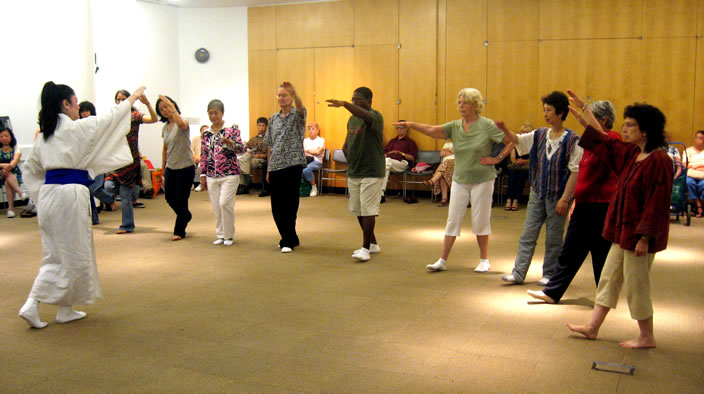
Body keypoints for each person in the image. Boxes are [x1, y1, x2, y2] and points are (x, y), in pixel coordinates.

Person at [18, 81, 145, 329]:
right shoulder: (76, 130)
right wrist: (132, 100)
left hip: (50, 195)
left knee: (60, 251)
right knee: (70, 253)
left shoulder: (44, 138)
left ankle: (66, 308)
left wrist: (39, 197)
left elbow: (31, 171)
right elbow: (109, 119)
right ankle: (32, 303)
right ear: (65, 104)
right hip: (69, 196)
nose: (78, 109)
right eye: (76, 103)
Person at [565, 90, 672, 349]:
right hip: (621, 233)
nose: (624, 129)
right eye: (624, 124)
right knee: (609, 278)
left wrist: (645, 238)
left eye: (630, 125)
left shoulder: (659, 160)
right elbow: (604, 141)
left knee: (637, 286)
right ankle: (593, 327)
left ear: (645, 130)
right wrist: (585, 114)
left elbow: (656, 204)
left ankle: (647, 336)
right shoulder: (632, 154)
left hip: (639, 238)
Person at [395, 88, 513, 273]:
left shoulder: (487, 125)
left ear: (475, 105)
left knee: (480, 219)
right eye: (459, 102)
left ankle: (484, 260)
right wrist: (410, 124)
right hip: (460, 178)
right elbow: (433, 130)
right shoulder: (455, 126)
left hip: (483, 179)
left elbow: (511, 140)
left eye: (464, 102)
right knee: (453, 219)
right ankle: (442, 260)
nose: (461, 106)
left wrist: (497, 158)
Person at [526, 101, 621, 304]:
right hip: (585, 205)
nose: (584, 120)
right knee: (571, 251)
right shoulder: (589, 141)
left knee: (600, 252)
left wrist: (584, 110)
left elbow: (605, 147)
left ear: (603, 119)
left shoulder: (611, 139)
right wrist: (575, 201)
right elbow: (582, 173)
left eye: (590, 116)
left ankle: (604, 296)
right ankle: (554, 292)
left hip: (601, 205)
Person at [498, 91, 583, 285]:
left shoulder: (573, 140)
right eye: (544, 110)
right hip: (538, 192)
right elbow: (518, 140)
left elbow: (575, 172)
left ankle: (550, 274)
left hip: (557, 195)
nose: (545, 114)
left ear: (561, 113)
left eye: (549, 110)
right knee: (528, 234)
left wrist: (565, 198)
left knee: (554, 238)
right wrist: (505, 129)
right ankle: (518, 273)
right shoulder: (539, 134)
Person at [326, 87, 385, 262]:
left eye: (358, 99)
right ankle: (373, 243)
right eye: (353, 99)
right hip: (355, 171)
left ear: (369, 101)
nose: (355, 102)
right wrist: (350, 159)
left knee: (368, 210)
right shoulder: (351, 120)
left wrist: (344, 104)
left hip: (372, 171)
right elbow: (346, 144)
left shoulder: (375, 116)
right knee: (358, 210)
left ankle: (365, 249)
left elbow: (365, 116)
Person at [104, 89, 158, 234]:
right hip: (115, 160)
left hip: (130, 161)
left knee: (125, 195)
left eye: (123, 99)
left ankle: (127, 225)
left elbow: (154, 119)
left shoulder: (134, 116)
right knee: (108, 186)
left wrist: (147, 104)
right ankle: (133, 191)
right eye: (118, 99)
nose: (120, 102)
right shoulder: (113, 117)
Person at [265, 82, 307, 253]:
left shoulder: (297, 116)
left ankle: (287, 239)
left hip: (293, 164)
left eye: (285, 95)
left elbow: (301, 106)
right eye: (279, 95)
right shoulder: (273, 119)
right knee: (276, 206)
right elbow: (269, 145)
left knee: (290, 204)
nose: (281, 98)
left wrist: (295, 92)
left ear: (291, 98)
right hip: (275, 166)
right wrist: (268, 169)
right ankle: (291, 236)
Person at [199, 99, 245, 246]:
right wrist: (203, 174)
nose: (213, 116)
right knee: (216, 206)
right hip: (212, 175)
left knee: (225, 203)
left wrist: (231, 143)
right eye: (210, 113)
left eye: (216, 113)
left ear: (222, 113)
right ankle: (221, 234)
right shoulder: (206, 134)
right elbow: (204, 155)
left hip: (230, 173)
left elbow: (242, 149)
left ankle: (229, 235)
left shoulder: (232, 130)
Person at [156, 95, 195, 241]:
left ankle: (179, 230)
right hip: (171, 168)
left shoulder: (182, 122)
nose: (165, 110)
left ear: (173, 105)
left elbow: (181, 124)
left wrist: (171, 107)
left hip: (185, 167)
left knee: (181, 198)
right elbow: (165, 148)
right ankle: (186, 215)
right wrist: (162, 168)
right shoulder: (165, 128)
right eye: (161, 109)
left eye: (166, 106)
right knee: (169, 197)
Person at [381, 121, 418, 202]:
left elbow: (412, 158)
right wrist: (389, 153)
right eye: (397, 128)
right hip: (389, 162)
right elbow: (383, 154)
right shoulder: (392, 141)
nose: (399, 130)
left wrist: (401, 153)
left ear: (406, 129)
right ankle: (381, 193)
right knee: (386, 164)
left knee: (385, 163)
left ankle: (379, 193)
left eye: (401, 127)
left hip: (403, 163)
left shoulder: (410, 142)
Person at [238, 117, 270, 196]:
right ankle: (246, 179)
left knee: (242, 163)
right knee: (242, 159)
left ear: (266, 127)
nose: (261, 128)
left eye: (263, 126)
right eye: (259, 125)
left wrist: (259, 155)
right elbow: (245, 148)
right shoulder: (253, 139)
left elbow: (269, 154)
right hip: (251, 158)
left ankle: (244, 184)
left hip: (261, 159)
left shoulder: (268, 139)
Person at [0, 126, 28, 218]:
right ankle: (20, 193)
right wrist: (4, 166)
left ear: (11, 137)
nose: (4, 138)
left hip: (13, 172)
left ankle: (10, 209)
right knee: (7, 175)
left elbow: (16, 159)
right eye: (1, 136)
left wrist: (9, 167)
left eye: (6, 136)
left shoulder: (16, 147)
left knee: (8, 181)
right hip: (0, 173)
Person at [505, 123, 532, 211]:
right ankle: (509, 199)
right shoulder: (515, 143)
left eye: (526, 132)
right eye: (522, 132)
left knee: (521, 178)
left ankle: (516, 200)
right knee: (512, 176)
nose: (524, 134)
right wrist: (516, 161)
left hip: (526, 167)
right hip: (515, 165)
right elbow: (512, 157)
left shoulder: (531, 145)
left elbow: (532, 159)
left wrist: (523, 161)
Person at [423, 141, 454, 206]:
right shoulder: (445, 159)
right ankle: (444, 198)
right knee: (442, 176)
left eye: (443, 150)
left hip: (455, 173)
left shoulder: (452, 158)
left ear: (450, 151)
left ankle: (432, 181)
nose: (441, 151)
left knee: (442, 170)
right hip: (446, 173)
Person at [303, 122, 325, 197]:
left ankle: (314, 187)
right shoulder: (305, 141)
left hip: (317, 161)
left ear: (317, 131)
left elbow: (318, 152)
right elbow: (302, 152)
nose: (311, 131)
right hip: (306, 160)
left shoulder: (321, 140)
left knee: (306, 170)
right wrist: (312, 151)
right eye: (309, 129)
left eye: (313, 129)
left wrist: (308, 151)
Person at [686, 130, 704, 217]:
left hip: (703, 176)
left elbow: (691, 165)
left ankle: (697, 206)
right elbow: (685, 164)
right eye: (696, 138)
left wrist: (695, 166)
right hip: (691, 175)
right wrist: (700, 166)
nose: (698, 140)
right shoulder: (688, 150)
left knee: (703, 185)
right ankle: (698, 205)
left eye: (700, 138)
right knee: (689, 183)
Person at [192, 125, 208, 192]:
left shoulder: (210, 139)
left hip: (206, 158)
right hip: (196, 157)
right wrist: (195, 157)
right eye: (203, 130)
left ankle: (202, 184)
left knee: (200, 166)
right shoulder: (195, 139)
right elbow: (191, 149)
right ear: (200, 131)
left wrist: (202, 158)